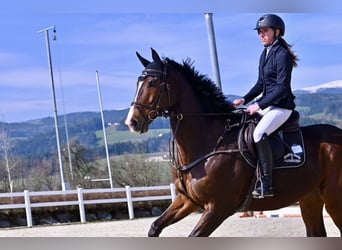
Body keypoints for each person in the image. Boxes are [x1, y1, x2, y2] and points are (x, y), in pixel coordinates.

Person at [233, 14, 298, 198]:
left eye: (265, 31)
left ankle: (267, 184)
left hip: (281, 107)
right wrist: (244, 99)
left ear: (277, 32)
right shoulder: (265, 53)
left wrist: (259, 105)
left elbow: (281, 87)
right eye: (259, 32)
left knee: (258, 134)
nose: (261, 35)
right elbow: (261, 83)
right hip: (269, 105)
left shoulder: (282, 55)